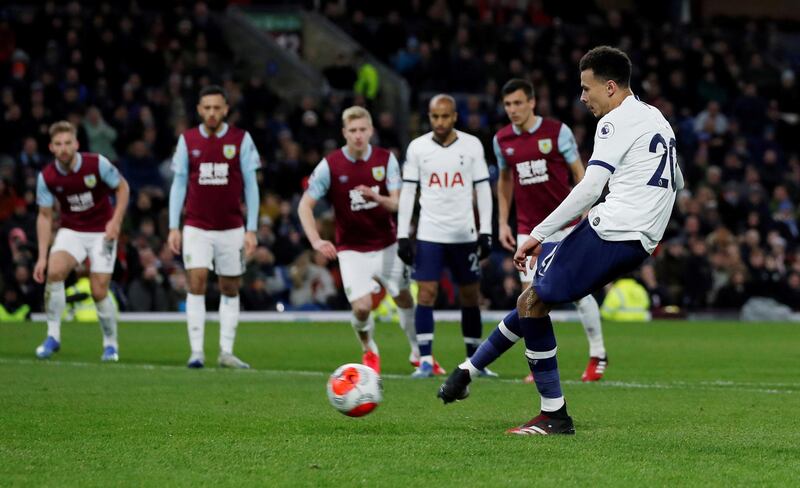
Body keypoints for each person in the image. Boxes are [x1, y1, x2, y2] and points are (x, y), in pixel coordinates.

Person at [438, 46, 684, 435]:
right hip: (638, 236)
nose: (582, 97)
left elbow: (589, 187)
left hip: (612, 228)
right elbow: (677, 182)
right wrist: (650, 228)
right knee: (531, 300)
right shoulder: (657, 118)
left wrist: (538, 234)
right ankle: (468, 371)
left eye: (587, 89)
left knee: (534, 304)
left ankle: (554, 414)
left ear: (610, 86)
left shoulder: (614, 121)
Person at [451, 78, 610, 384]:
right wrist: (502, 223)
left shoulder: (556, 132)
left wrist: (587, 210)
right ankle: (539, 362)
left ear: (532, 102)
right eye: (508, 104)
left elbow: (579, 173)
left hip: (566, 225)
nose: (513, 110)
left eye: (518, 103)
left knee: (579, 293)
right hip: (530, 229)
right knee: (530, 299)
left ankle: (598, 354)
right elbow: (506, 181)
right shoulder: (502, 140)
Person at [298, 106, 419, 374]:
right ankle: (369, 350)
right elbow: (304, 206)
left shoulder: (385, 160)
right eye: (352, 131)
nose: (358, 135)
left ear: (371, 130)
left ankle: (417, 351)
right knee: (362, 308)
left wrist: (377, 197)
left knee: (404, 299)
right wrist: (316, 241)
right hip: (351, 249)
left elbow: (398, 204)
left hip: (387, 244)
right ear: (344, 133)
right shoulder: (330, 165)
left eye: (363, 129)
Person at [397, 94, 494, 378]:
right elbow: (408, 192)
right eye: (434, 117)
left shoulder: (472, 145)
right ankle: (425, 360)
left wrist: (486, 231)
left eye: (444, 116)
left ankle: (474, 361)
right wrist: (403, 234)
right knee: (426, 293)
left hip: (465, 233)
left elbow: (483, 190)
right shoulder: (417, 148)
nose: (439, 122)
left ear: (454, 116)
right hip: (430, 233)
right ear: (429, 117)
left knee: (470, 296)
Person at [167, 85, 261, 369]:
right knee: (196, 281)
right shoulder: (188, 140)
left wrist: (251, 228)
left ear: (225, 110)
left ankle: (226, 352)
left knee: (230, 286)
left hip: (231, 227)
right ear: (199, 110)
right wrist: (174, 226)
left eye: (216, 108)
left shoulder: (240, 139)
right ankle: (196, 352)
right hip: (196, 226)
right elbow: (179, 183)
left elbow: (251, 185)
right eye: (206, 107)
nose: (211, 112)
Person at [33, 121, 129, 362]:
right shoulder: (47, 177)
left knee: (98, 291)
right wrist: (42, 257)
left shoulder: (96, 163)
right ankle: (53, 336)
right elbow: (45, 216)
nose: (64, 148)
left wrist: (115, 222)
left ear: (76, 144)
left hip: (102, 232)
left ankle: (110, 344)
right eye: (58, 144)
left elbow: (123, 188)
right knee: (54, 272)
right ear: (51, 147)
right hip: (72, 230)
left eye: (68, 143)